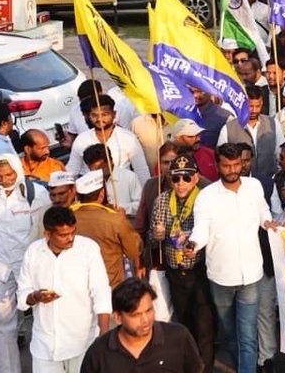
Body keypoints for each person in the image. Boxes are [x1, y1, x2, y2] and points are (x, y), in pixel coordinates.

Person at [186, 143, 273, 373]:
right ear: (217, 166)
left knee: (247, 334)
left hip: (252, 273)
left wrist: (269, 222)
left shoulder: (254, 186)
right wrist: (192, 245)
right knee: (227, 332)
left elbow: (263, 211)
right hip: (221, 275)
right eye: (227, 165)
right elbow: (201, 229)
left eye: (237, 164)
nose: (233, 169)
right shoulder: (206, 196)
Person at [17, 206, 113, 373]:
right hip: (45, 345)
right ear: (47, 234)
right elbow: (22, 295)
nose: (70, 239)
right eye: (63, 235)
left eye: (72, 232)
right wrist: (36, 297)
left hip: (82, 342)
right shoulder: (33, 252)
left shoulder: (88, 249)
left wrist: (103, 335)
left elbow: (100, 291)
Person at [148, 155, 216, 370]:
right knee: (184, 324)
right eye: (175, 179)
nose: (181, 184)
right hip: (175, 272)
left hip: (200, 271)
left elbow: (213, 234)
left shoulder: (205, 199)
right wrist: (156, 235)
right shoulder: (161, 200)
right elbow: (151, 237)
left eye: (186, 178)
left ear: (196, 178)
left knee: (205, 327)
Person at [0, 152, 52, 371]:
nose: (5, 179)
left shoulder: (37, 193)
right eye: (0, 175)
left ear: (17, 170)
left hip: (30, 263)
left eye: (9, 174)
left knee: (42, 317)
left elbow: (45, 230)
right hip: (2, 264)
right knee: (1, 321)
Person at [80, 276, 205, 373]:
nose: (146, 320)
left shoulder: (178, 337)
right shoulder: (99, 352)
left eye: (149, 310)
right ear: (118, 317)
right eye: (136, 315)